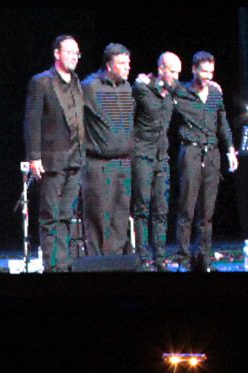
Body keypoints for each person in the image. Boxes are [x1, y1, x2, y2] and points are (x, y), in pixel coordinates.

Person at [24, 35, 86, 272]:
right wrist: (34, 156)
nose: (74, 57)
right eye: (69, 52)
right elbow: (32, 121)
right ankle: (52, 265)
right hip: (51, 158)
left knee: (66, 215)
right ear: (57, 54)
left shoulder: (77, 82)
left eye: (77, 53)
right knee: (50, 214)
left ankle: (65, 262)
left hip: (74, 158)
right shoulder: (42, 82)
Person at [173, 51, 238, 269]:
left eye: (211, 71)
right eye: (204, 71)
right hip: (190, 152)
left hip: (212, 154)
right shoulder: (181, 92)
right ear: (194, 70)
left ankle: (204, 256)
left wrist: (230, 150)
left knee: (207, 211)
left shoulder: (215, 94)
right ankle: (183, 257)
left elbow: (223, 124)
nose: (208, 76)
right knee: (187, 209)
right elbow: (161, 92)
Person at [81, 43, 135, 260]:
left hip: (123, 162)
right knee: (99, 217)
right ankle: (98, 263)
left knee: (120, 217)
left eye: (128, 63)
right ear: (109, 65)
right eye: (122, 63)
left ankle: (116, 262)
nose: (127, 67)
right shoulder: (90, 86)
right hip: (98, 163)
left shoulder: (126, 87)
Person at [131, 53, 182, 270]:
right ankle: (142, 258)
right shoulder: (142, 88)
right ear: (162, 68)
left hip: (162, 157)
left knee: (161, 209)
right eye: (173, 71)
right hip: (142, 155)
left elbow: (193, 94)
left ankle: (160, 258)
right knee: (142, 207)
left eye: (178, 72)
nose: (176, 76)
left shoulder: (173, 91)